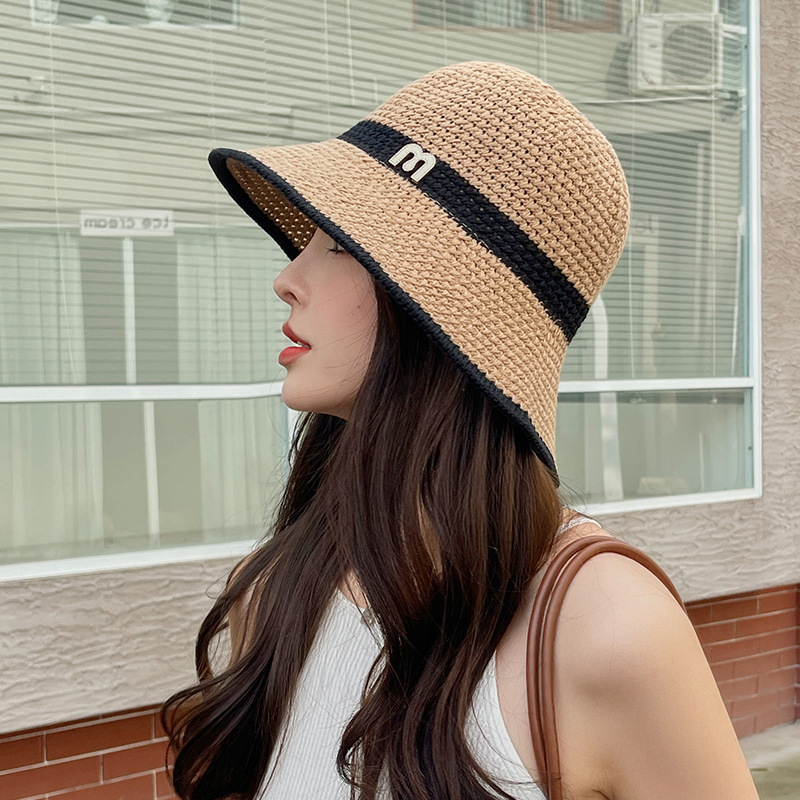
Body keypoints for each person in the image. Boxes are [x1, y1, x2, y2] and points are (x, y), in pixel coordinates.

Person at [162, 62, 760, 800]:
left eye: (339, 243)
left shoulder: (607, 627)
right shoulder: (277, 591)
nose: (287, 278)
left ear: (439, 305)